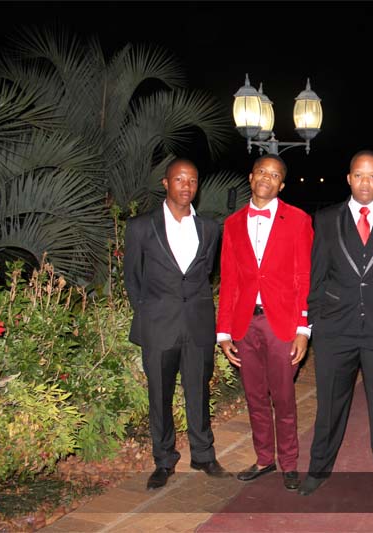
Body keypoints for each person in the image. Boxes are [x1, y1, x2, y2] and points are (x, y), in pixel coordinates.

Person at [298, 150, 373, 499]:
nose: (366, 182)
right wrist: (315, 320)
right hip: (335, 330)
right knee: (329, 405)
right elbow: (317, 274)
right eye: (359, 175)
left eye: (372, 176)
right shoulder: (326, 219)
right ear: (349, 178)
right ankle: (318, 469)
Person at [124, 159, 230, 490]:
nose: (187, 186)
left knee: (198, 391)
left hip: (197, 325)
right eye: (180, 179)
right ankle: (164, 460)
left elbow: (205, 273)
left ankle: (203, 455)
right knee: (160, 396)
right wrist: (150, 314)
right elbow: (132, 278)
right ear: (166, 183)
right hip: (159, 326)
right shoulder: (141, 226)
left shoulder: (209, 228)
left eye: (193, 181)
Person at [216, 154, 313, 491]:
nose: (266, 179)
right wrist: (223, 331)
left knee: (283, 398)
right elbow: (229, 279)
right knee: (254, 396)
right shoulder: (232, 223)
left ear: (281, 185)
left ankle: (289, 462)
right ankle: (263, 459)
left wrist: (303, 329)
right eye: (261, 172)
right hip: (245, 323)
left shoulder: (298, 220)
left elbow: (304, 277)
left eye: (274, 175)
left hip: (281, 323)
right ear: (251, 176)